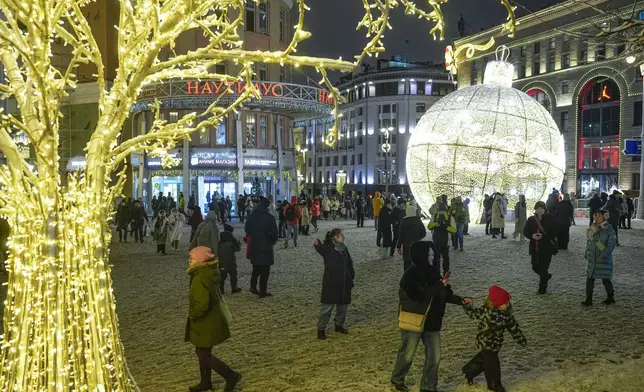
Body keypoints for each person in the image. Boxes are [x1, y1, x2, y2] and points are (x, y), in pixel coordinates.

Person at [390, 241, 472, 392]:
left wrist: (460, 300)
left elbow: (444, 294)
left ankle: (428, 386)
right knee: (407, 354)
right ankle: (397, 379)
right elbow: (420, 296)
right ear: (421, 255)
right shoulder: (411, 274)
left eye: (433, 254)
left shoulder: (434, 273)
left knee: (434, 357)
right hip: (414, 320)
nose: (433, 257)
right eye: (429, 254)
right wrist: (440, 285)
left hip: (432, 322)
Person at [185, 246, 242, 392]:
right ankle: (206, 382)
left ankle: (230, 376)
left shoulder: (199, 278)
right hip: (212, 318)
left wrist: (193, 315)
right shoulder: (208, 272)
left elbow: (202, 304)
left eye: (191, 259)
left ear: (199, 261)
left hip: (205, 321)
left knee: (204, 354)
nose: (189, 261)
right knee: (201, 352)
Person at [462, 285, 527, 392]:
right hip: (484, 342)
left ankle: (469, 372)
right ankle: (495, 385)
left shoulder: (507, 316)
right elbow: (473, 314)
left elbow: (514, 329)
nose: (507, 304)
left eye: (507, 302)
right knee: (493, 364)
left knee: (484, 360)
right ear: (497, 303)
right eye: (505, 303)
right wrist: (467, 306)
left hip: (496, 344)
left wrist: (520, 339)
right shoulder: (486, 311)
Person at [313, 229, 355, 339]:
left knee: (343, 307)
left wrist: (351, 275)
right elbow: (320, 248)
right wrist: (317, 243)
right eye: (341, 235)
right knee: (327, 308)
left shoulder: (344, 248)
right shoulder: (327, 248)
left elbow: (349, 262)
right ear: (335, 238)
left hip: (345, 282)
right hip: (331, 283)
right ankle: (321, 329)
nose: (343, 237)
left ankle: (339, 325)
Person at [245, 197, 278, 298]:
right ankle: (262, 291)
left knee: (256, 268)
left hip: (255, 244)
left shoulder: (252, 216)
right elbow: (274, 233)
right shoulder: (269, 218)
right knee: (265, 270)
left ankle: (253, 286)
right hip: (266, 246)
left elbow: (247, 229)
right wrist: (271, 241)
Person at [582, 210, 616, 306]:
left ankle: (610, 296)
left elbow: (611, 245)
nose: (596, 218)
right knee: (589, 278)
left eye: (599, 216)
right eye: (595, 216)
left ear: (604, 217)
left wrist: (604, 254)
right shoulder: (592, 227)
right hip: (592, 257)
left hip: (602, 258)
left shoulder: (609, 229)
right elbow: (589, 241)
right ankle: (588, 299)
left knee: (605, 279)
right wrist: (586, 253)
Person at [523, 201, 557, 294]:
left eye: (542, 208)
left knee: (543, 268)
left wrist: (544, 236)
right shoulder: (531, 219)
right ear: (535, 209)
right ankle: (545, 276)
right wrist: (531, 236)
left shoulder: (550, 218)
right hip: (535, 248)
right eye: (538, 208)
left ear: (545, 209)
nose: (540, 210)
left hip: (546, 248)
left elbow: (555, 232)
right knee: (534, 266)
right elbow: (525, 231)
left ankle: (542, 289)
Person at [428, 203, 455, 275]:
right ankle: (446, 273)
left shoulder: (434, 216)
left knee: (436, 258)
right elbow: (454, 230)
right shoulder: (450, 217)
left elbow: (429, 227)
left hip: (436, 240)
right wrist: (446, 227)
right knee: (446, 258)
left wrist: (435, 224)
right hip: (446, 241)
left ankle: (437, 273)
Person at [219, 224, 242, 295]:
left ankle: (221, 289)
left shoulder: (219, 238)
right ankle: (234, 288)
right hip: (231, 260)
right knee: (233, 274)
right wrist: (239, 243)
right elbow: (237, 249)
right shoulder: (232, 239)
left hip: (221, 261)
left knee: (222, 276)